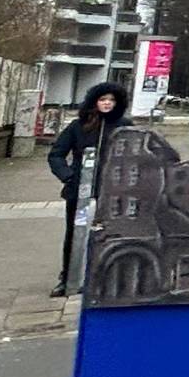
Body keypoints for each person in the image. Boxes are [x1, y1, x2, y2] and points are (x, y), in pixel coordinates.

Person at [46, 82, 128, 297]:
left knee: (110, 235)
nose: (107, 104)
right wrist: (68, 176)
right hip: (80, 192)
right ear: (95, 102)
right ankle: (68, 278)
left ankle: (104, 278)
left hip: (112, 193)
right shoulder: (77, 126)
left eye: (111, 100)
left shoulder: (124, 126)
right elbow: (56, 154)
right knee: (75, 233)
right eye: (103, 100)